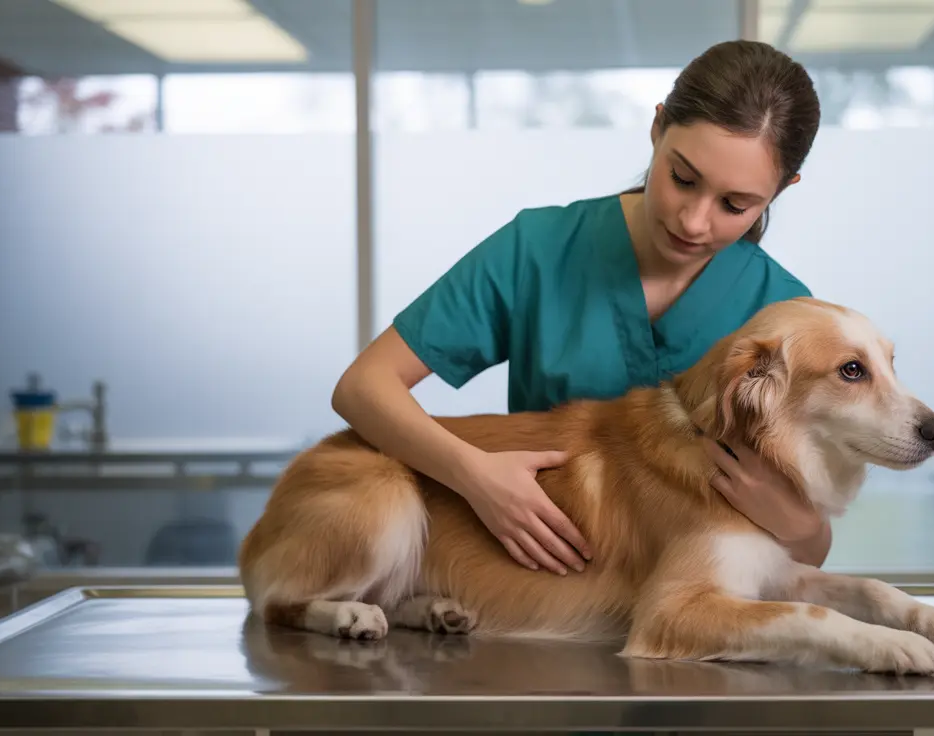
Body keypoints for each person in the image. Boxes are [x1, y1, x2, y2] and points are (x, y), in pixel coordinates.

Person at [331, 39, 831, 578]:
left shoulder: (785, 314)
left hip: (687, 601)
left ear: (782, 189)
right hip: (531, 590)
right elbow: (363, 387)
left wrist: (804, 528)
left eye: (736, 205)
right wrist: (474, 474)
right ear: (658, 128)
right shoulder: (538, 250)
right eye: (682, 179)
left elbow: (806, 554)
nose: (693, 221)